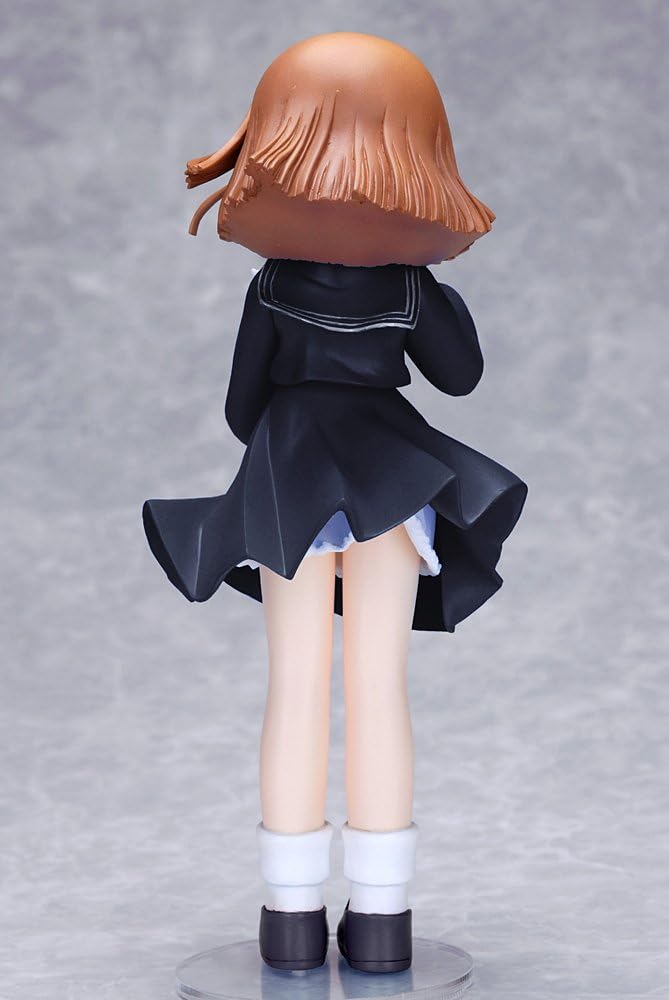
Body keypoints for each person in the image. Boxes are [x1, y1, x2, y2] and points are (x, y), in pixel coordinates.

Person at [142, 31, 528, 973]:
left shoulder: (273, 284)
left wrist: (288, 430)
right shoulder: (407, 287)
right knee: (378, 684)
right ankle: (383, 921)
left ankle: (289, 916)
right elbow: (460, 377)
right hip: (391, 479)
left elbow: (240, 409)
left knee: (296, 684)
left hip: (289, 483)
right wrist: (423, 289)